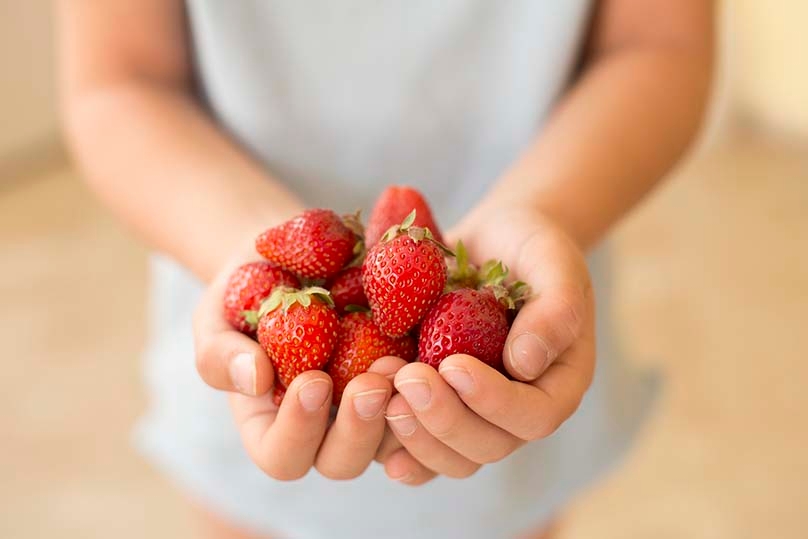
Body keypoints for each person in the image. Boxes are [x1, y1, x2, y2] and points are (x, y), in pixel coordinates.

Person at [57, 1, 714, 537]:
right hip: (237, 320)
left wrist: (541, 212)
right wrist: (243, 249)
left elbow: (659, 43)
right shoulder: (271, 293)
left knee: (503, 504)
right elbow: (119, 79)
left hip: (514, 340)